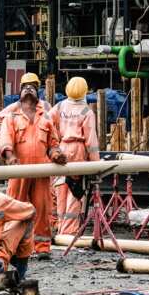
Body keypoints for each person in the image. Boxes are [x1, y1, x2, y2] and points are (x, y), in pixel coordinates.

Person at [0, 74, 66, 257]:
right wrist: (10, 157)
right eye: (25, 86)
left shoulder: (45, 118)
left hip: (41, 171)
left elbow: (53, 144)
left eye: (33, 86)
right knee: (14, 208)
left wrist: (57, 155)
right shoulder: (11, 116)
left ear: (38, 92)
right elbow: (5, 139)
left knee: (42, 209)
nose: (29, 89)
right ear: (19, 91)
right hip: (19, 170)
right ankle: (11, 247)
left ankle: (42, 247)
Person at [50, 77, 101, 235]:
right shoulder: (86, 111)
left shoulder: (59, 106)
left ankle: (59, 228)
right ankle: (69, 231)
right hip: (77, 150)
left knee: (61, 188)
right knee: (75, 190)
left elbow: (46, 123)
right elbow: (91, 141)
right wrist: (96, 164)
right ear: (85, 91)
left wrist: (54, 143)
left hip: (62, 148)